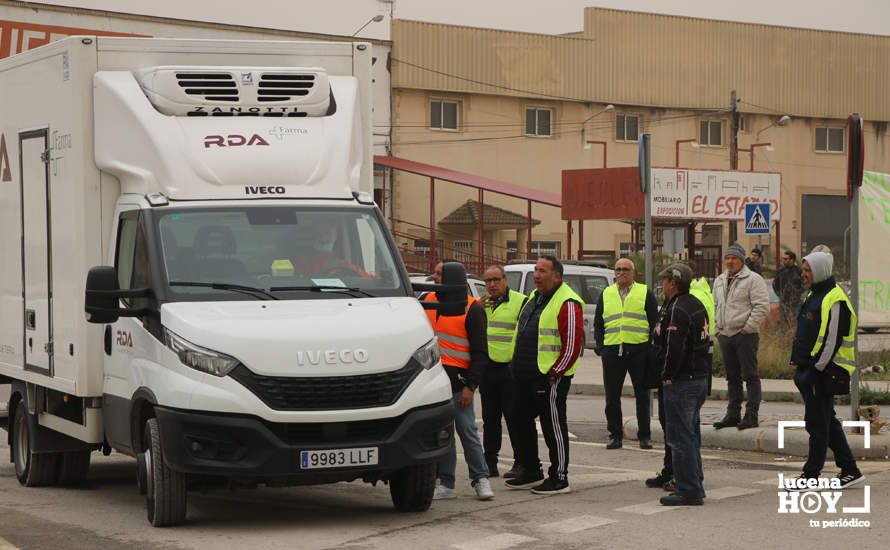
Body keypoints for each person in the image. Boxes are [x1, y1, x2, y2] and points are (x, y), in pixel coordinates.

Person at [505, 256, 584, 495]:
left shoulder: (568, 302)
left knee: (553, 426)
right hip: (523, 374)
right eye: (536, 270)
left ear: (557, 276)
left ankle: (559, 477)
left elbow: (572, 344)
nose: (536, 275)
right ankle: (531, 470)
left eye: (542, 271)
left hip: (548, 377)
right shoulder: (534, 297)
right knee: (519, 421)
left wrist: (555, 374)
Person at [788, 251, 864, 489]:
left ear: (820, 271)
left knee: (817, 425)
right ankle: (850, 469)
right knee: (827, 422)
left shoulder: (835, 298)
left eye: (808, 270)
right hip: (809, 370)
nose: (804, 274)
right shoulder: (815, 294)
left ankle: (811, 476)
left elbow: (832, 341)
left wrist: (814, 370)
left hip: (823, 372)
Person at [423, 261, 494, 501]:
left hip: (459, 384)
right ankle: (446, 482)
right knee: (443, 435)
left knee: (467, 432)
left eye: (441, 273)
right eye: (435, 272)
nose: (435, 276)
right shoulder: (427, 300)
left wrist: (470, 387)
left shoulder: (472, 308)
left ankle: (481, 478)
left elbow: (480, 353)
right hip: (433, 384)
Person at [647, 261, 715, 492]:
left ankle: (689, 489)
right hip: (697, 378)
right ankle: (695, 482)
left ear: (673, 283)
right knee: (691, 434)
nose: (662, 285)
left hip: (683, 381)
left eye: (664, 281)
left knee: (680, 438)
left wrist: (666, 376)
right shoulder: (694, 303)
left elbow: (674, 349)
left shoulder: (679, 308)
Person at [593, 258, 658, 449]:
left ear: (633, 272)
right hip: (613, 351)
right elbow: (598, 323)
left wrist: (649, 348)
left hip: (639, 351)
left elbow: (654, 322)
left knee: (642, 395)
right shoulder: (606, 293)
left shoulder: (644, 292)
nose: (621, 273)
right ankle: (615, 435)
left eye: (625, 270)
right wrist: (601, 346)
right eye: (618, 269)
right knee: (612, 397)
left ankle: (644, 436)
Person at [712, 243, 769, 430]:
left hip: (745, 335)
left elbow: (762, 306)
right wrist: (718, 329)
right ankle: (733, 413)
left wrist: (748, 327)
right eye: (727, 258)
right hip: (725, 334)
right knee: (732, 376)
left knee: (750, 375)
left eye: (734, 258)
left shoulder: (753, 279)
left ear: (742, 260)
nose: (730, 261)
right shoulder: (719, 280)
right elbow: (715, 305)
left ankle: (751, 414)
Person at [480, 264, 527, 478]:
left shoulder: (520, 302)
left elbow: (523, 337)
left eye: (496, 280)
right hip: (487, 369)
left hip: (510, 370)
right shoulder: (481, 305)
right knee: (490, 419)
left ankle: (520, 462)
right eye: (488, 281)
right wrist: (476, 310)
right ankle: (490, 463)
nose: (492, 285)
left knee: (513, 417)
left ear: (505, 280)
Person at [290, 220, 371, 278]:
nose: (323, 239)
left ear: (335, 236)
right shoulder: (300, 261)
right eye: (319, 234)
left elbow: (369, 279)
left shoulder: (343, 265)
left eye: (328, 233)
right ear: (313, 236)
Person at [773, 250, 804, 330]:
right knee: (784, 324)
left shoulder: (799, 271)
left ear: (792, 260)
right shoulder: (780, 272)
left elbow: (805, 285)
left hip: (796, 302)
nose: (784, 261)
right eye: (783, 259)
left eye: (786, 259)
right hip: (784, 302)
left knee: (797, 322)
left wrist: (797, 293)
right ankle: (784, 339)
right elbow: (775, 285)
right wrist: (780, 295)